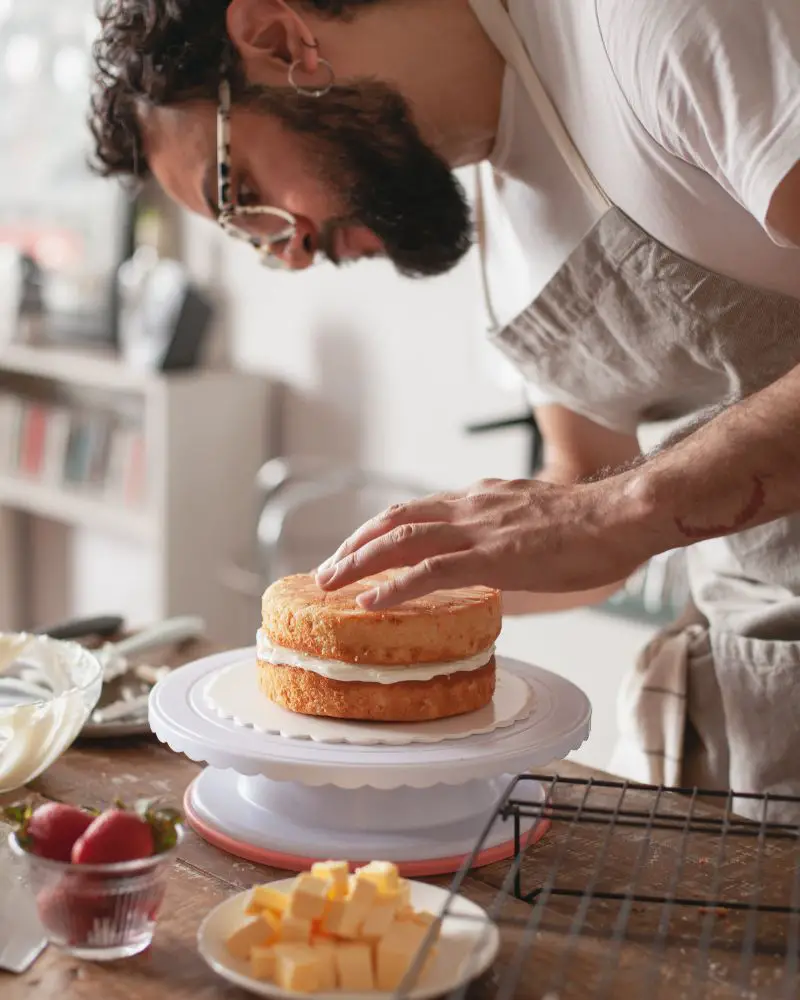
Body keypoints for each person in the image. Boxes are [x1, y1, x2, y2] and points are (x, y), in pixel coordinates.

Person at [91, 0, 800, 812]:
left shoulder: (653, 27)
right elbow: (584, 493)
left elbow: (608, 511)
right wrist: (363, 622)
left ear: (280, 39)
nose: (286, 252)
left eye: (240, 192)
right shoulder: (506, 241)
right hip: (754, 708)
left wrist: (624, 508)